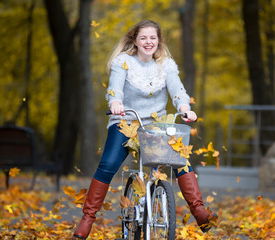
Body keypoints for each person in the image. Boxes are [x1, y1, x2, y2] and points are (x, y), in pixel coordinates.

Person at [72, 19, 216, 239]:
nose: (149, 42)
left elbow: (177, 90)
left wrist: (185, 108)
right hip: (126, 121)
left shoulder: (166, 65)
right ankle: (87, 219)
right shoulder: (124, 62)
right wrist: (115, 103)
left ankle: (199, 211)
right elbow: (114, 89)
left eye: (153, 38)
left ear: (158, 41)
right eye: (143, 38)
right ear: (135, 41)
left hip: (155, 125)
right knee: (108, 164)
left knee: (180, 156)